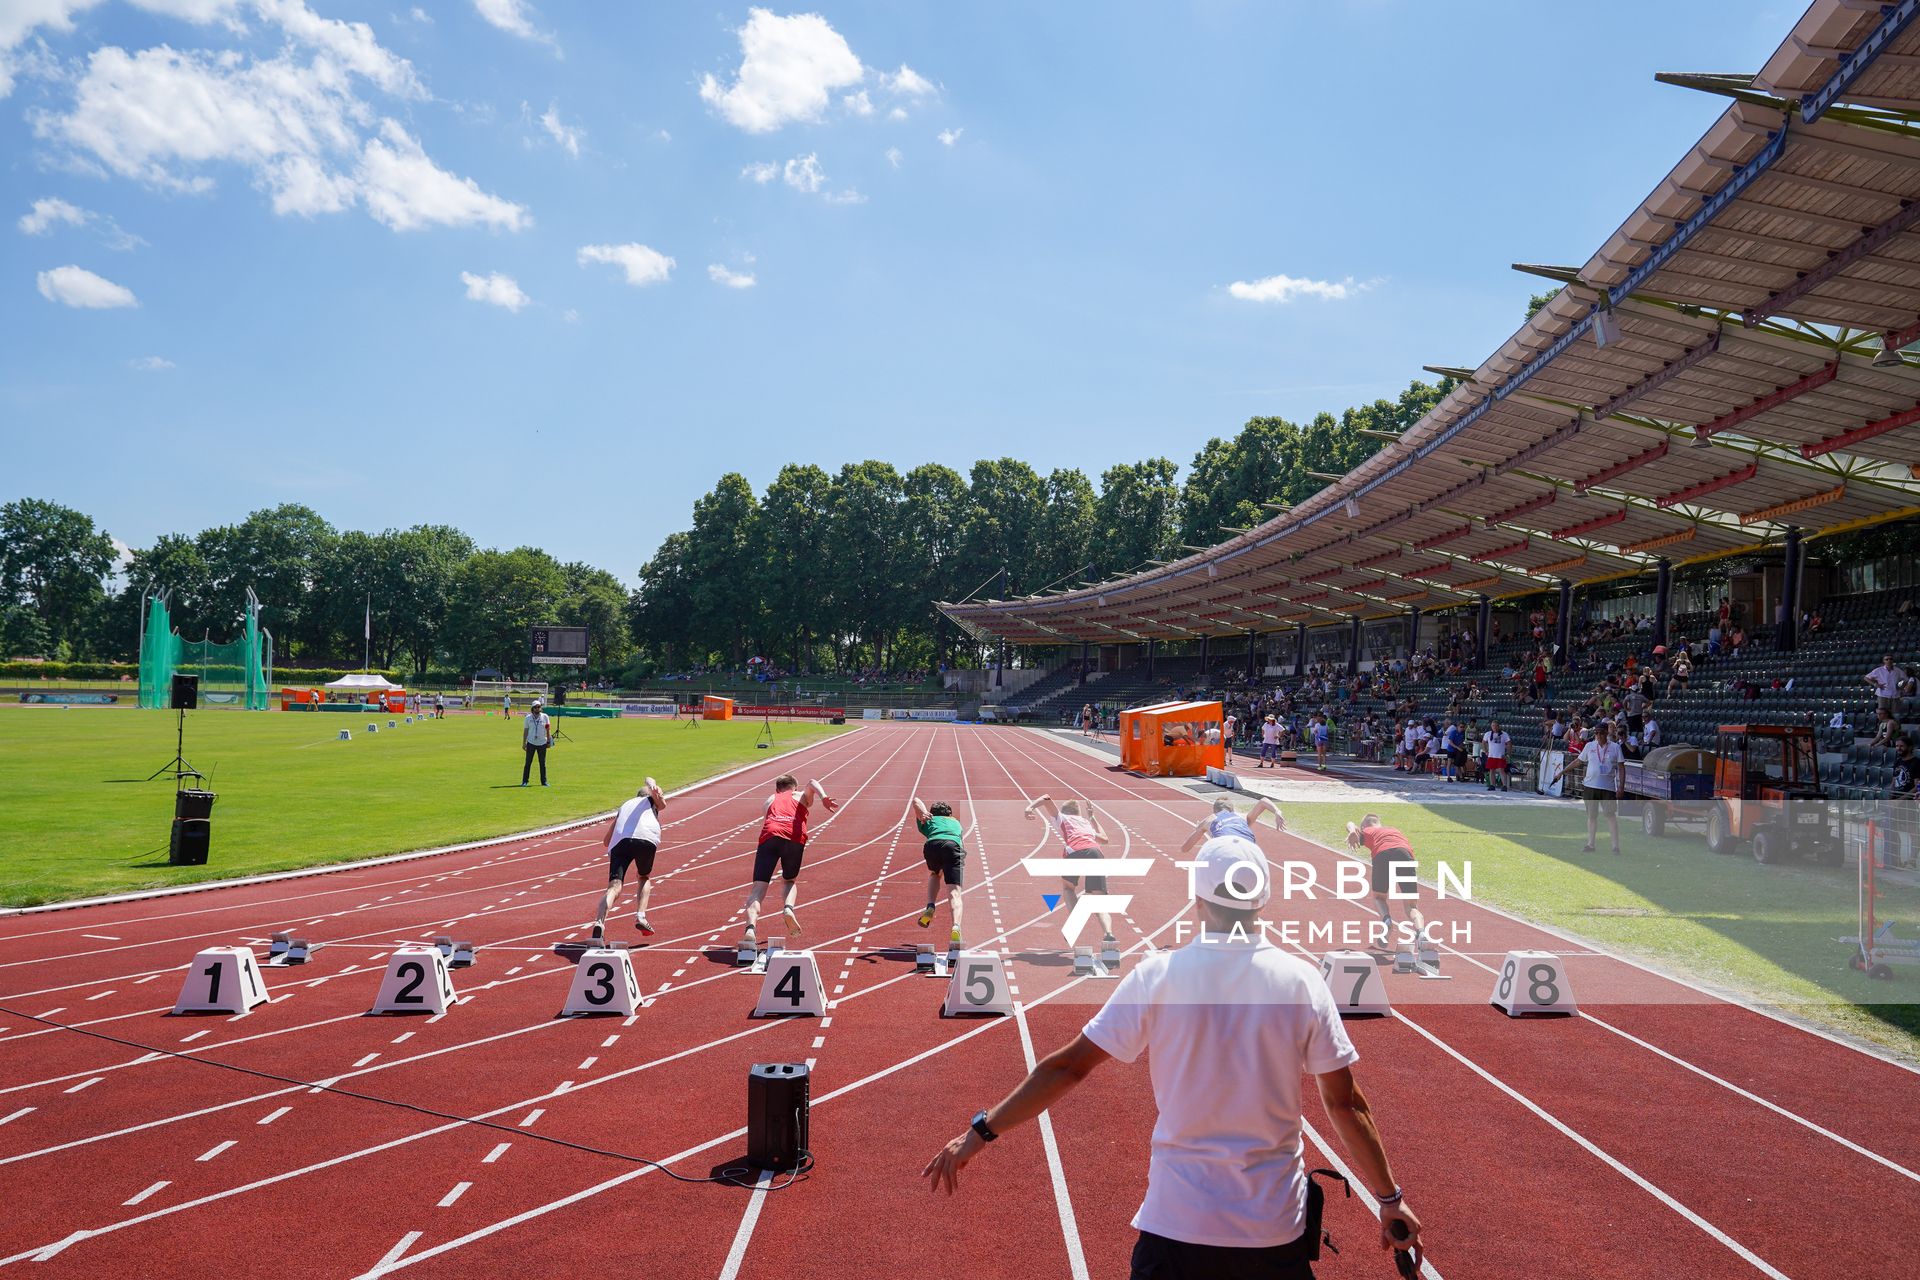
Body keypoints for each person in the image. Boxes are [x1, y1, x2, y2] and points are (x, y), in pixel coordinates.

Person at [921, 835, 1423, 1278]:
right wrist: (1389, 1201)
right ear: (1262, 901)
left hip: (1176, 1226)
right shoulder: (1302, 981)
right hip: (1271, 1233)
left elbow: (1068, 1067)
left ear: (1197, 899)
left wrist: (980, 1133)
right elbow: (1346, 1105)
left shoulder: (1157, 975)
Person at [741, 774, 839, 948]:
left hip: (770, 836)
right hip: (794, 838)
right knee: (789, 880)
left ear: (777, 789)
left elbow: (767, 819)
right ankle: (788, 908)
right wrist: (823, 797)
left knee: (759, 887)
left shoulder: (770, 799)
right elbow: (812, 782)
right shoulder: (800, 795)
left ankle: (750, 929)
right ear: (794, 787)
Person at [1024, 794, 1116, 946]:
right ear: (1079, 813)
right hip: (1095, 852)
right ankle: (1108, 933)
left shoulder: (1063, 818)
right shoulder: (1085, 823)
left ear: (1064, 812)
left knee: (1068, 888)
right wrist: (1092, 818)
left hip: (1075, 852)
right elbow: (1105, 839)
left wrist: (1029, 808)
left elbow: (1046, 798)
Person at [594, 777, 666, 940]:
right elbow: (661, 804)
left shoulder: (625, 806)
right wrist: (656, 792)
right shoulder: (651, 801)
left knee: (614, 887)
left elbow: (606, 842)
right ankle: (640, 915)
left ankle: (599, 922)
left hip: (620, 843)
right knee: (643, 876)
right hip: (645, 839)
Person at [1345, 815, 1426, 954]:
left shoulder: (1368, 831)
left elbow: (1350, 823)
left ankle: (1386, 919)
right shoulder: (1394, 830)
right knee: (1411, 906)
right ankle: (1421, 933)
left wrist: (1352, 830)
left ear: (1363, 827)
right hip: (1404, 854)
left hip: (1382, 854)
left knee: (1379, 897)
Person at [1553, 719, 1625, 855]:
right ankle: (1590, 844)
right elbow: (1577, 761)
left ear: (1606, 733)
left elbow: (1621, 767)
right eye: (1596, 733)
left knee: (1610, 816)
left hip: (1608, 788)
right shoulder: (1590, 746)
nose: (1598, 735)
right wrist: (1561, 773)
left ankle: (1615, 846)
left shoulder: (1615, 747)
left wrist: (1621, 787)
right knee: (1592, 816)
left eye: (1601, 733)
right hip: (1590, 786)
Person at [911, 797, 966, 947]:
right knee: (955, 892)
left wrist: (922, 813)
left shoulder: (926, 820)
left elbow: (915, 800)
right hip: (953, 845)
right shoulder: (955, 822)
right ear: (949, 814)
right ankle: (956, 926)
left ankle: (930, 906)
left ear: (932, 813)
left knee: (935, 873)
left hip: (932, 844)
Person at [1180, 795, 1285, 854]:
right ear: (1232, 810)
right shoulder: (1244, 817)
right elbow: (1263, 801)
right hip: (1251, 851)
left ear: (1214, 811)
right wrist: (1277, 811)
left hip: (1226, 851)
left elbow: (1184, 849)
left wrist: (1200, 828)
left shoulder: (1210, 819)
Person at [521, 697, 554, 787]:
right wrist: (524, 743)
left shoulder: (545, 716)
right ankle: (525, 781)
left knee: (542, 763)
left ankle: (544, 781)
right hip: (531, 742)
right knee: (528, 763)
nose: (537, 709)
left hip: (542, 743)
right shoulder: (528, 718)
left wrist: (549, 741)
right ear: (532, 708)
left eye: (539, 707)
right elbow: (526, 731)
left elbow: (548, 729)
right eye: (536, 707)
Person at [1866, 654, 1906, 719]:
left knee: (1895, 715)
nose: (1889, 660)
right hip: (1883, 695)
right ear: (1883, 661)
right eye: (1886, 659)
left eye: (1890, 659)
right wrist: (1875, 684)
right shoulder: (1878, 670)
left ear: (1893, 660)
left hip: (1895, 695)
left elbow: (1905, 679)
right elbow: (1866, 678)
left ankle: (1894, 728)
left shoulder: (1898, 670)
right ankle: (1883, 728)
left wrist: (1901, 686)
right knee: (1882, 715)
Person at [1482, 719, 1511, 791]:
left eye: (1495, 726)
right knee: (1491, 770)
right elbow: (1483, 742)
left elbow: (1509, 744)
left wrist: (1507, 754)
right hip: (1491, 755)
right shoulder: (1488, 734)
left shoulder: (1504, 734)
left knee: (1501, 770)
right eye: (1492, 725)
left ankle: (1504, 786)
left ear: (1498, 726)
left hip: (1500, 755)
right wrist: (1486, 751)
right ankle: (1492, 785)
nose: (1494, 727)